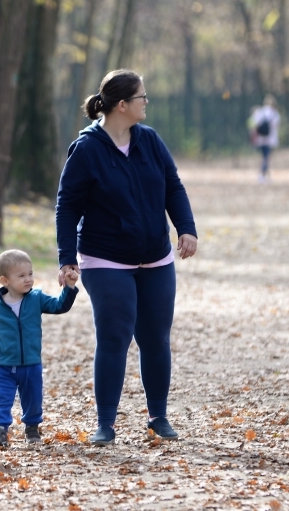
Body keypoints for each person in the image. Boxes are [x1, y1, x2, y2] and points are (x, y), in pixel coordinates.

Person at [55, 69, 198, 446]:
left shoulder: (149, 141)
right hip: (106, 259)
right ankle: (105, 424)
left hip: (156, 258)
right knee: (115, 337)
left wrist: (185, 227)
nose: (146, 102)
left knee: (155, 339)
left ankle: (158, 417)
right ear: (122, 105)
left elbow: (173, 186)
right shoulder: (86, 149)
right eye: (141, 97)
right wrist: (66, 257)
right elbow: (67, 205)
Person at [0, 249, 79, 447]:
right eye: (21, 276)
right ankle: (0, 430)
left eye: (30, 274)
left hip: (31, 363)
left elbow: (60, 306)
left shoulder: (36, 298)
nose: (28, 279)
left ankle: (32, 428)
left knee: (33, 398)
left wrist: (69, 287)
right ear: (5, 280)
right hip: (4, 364)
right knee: (2, 398)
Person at [251, 95, 281, 183]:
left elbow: (255, 122)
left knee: (264, 156)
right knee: (266, 157)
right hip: (270, 139)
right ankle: (262, 175)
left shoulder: (260, 111)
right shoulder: (274, 113)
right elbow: (276, 124)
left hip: (261, 139)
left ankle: (264, 174)